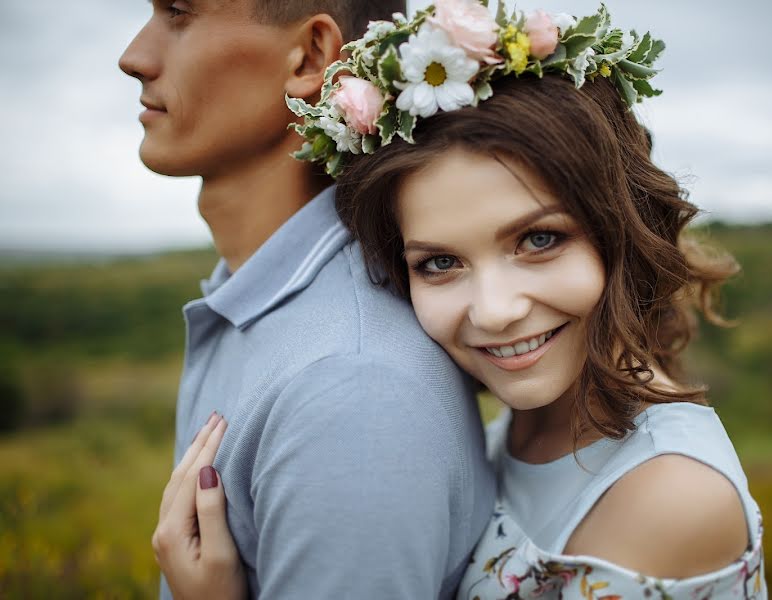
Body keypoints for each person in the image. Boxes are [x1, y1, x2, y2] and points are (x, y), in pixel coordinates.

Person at [157, 2, 767, 598]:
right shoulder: (531, 426)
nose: (495, 310)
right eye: (441, 263)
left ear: (621, 230)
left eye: (539, 240)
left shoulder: (670, 496)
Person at [118, 1, 497, 599]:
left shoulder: (353, 386)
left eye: (179, 13)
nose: (133, 57)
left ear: (311, 56)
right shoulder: (272, 307)